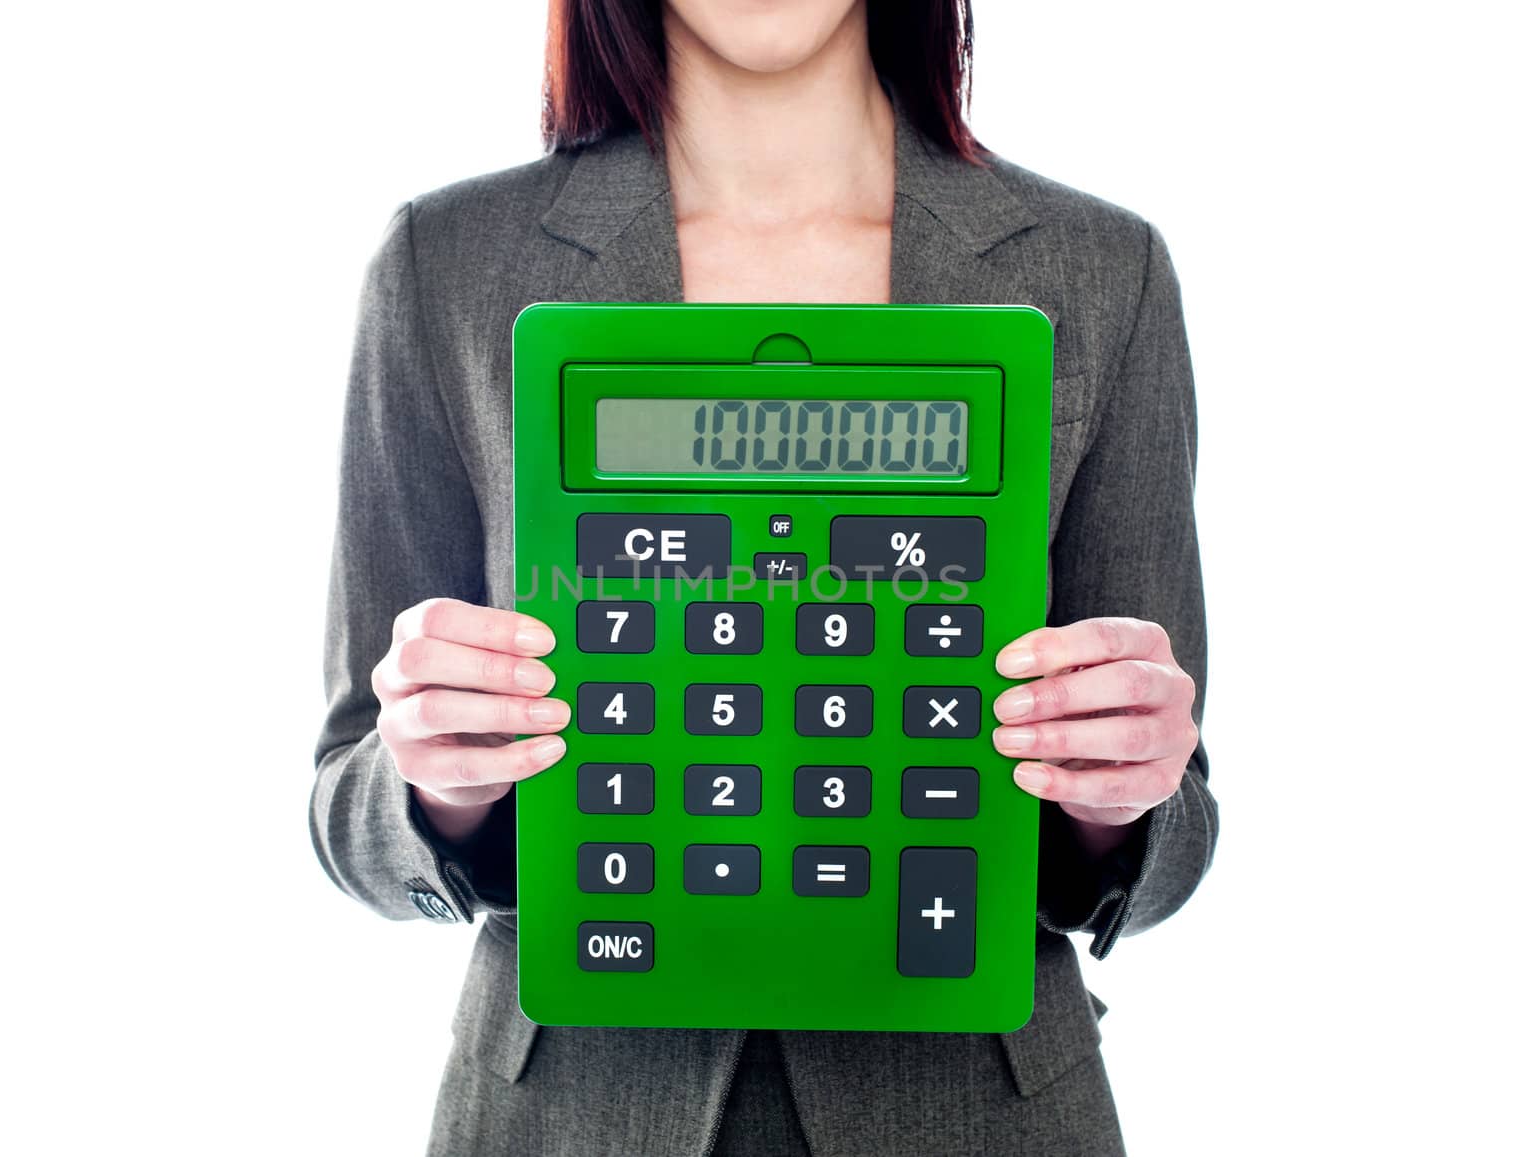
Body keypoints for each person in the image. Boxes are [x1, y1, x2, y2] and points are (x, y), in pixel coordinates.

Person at [310, 1, 1218, 1152]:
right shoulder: (444, 263)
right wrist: (442, 779)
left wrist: (1114, 795)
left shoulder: (1101, 270)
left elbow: (1176, 818)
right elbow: (348, 799)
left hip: (977, 1114)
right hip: (570, 1114)